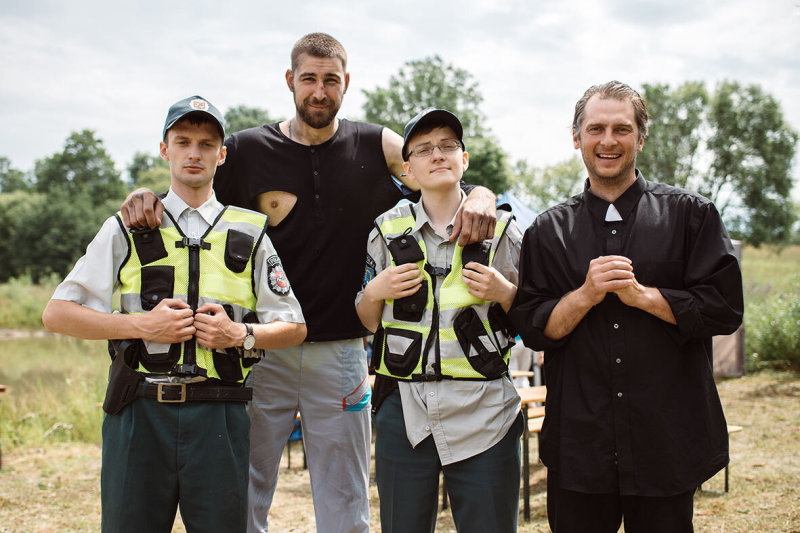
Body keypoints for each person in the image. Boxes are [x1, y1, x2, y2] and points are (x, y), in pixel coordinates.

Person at [119, 34, 499, 533]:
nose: (319, 91)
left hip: (342, 351)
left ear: (346, 83)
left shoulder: (374, 142)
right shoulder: (248, 149)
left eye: (331, 80)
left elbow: (436, 168)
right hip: (259, 349)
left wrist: (482, 194)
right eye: (309, 79)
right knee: (244, 491)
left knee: (345, 499)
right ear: (289, 81)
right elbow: (191, 182)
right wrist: (141, 193)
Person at [42, 95, 306, 533]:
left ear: (222, 154)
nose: (194, 153)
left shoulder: (250, 230)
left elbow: (293, 326)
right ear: (164, 149)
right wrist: (143, 325)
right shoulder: (127, 226)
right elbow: (58, 315)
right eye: (182, 141)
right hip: (139, 412)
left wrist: (239, 333)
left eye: (206, 144)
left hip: (220, 414)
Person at [509, 81, 744, 533]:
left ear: (640, 137)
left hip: (665, 441)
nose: (608, 141)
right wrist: (584, 295)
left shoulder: (691, 216)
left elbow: (724, 309)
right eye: (595, 128)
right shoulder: (546, 231)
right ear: (577, 137)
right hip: (580, 445)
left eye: (622, 128)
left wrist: (644, 297)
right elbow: (534, 329)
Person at [356, 108, 523, 532]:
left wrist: (505, 292)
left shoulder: (504, 231)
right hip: (405, 411)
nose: (438, 155)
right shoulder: (385, 231)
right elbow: (368, 322)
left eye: (448, 145)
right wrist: (376, 291)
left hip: (485, 410)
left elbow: (533, 318)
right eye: (424, 149)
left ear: (464, 160)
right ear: (408, 167)